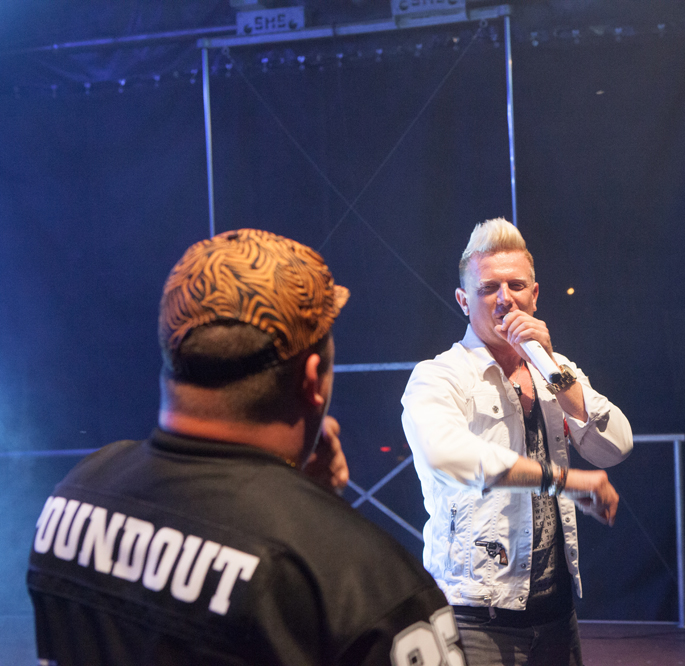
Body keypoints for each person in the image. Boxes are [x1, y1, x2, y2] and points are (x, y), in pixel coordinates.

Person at [28, 228, 465, 666]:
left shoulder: (77, 491)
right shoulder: (370, 586)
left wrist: (301, 505)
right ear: (312, 379)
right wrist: (317, 523)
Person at [401, 218, 633, 665]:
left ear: (535, 295)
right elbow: (447, 455)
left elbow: (616, 446)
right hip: (475, 615)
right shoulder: (439, 376)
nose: (505, 298)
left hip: (556, 613)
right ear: (464, 301)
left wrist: (550, 367)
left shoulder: (557, 371)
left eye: (516, 285)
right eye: (489, 288)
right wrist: (561, 480)